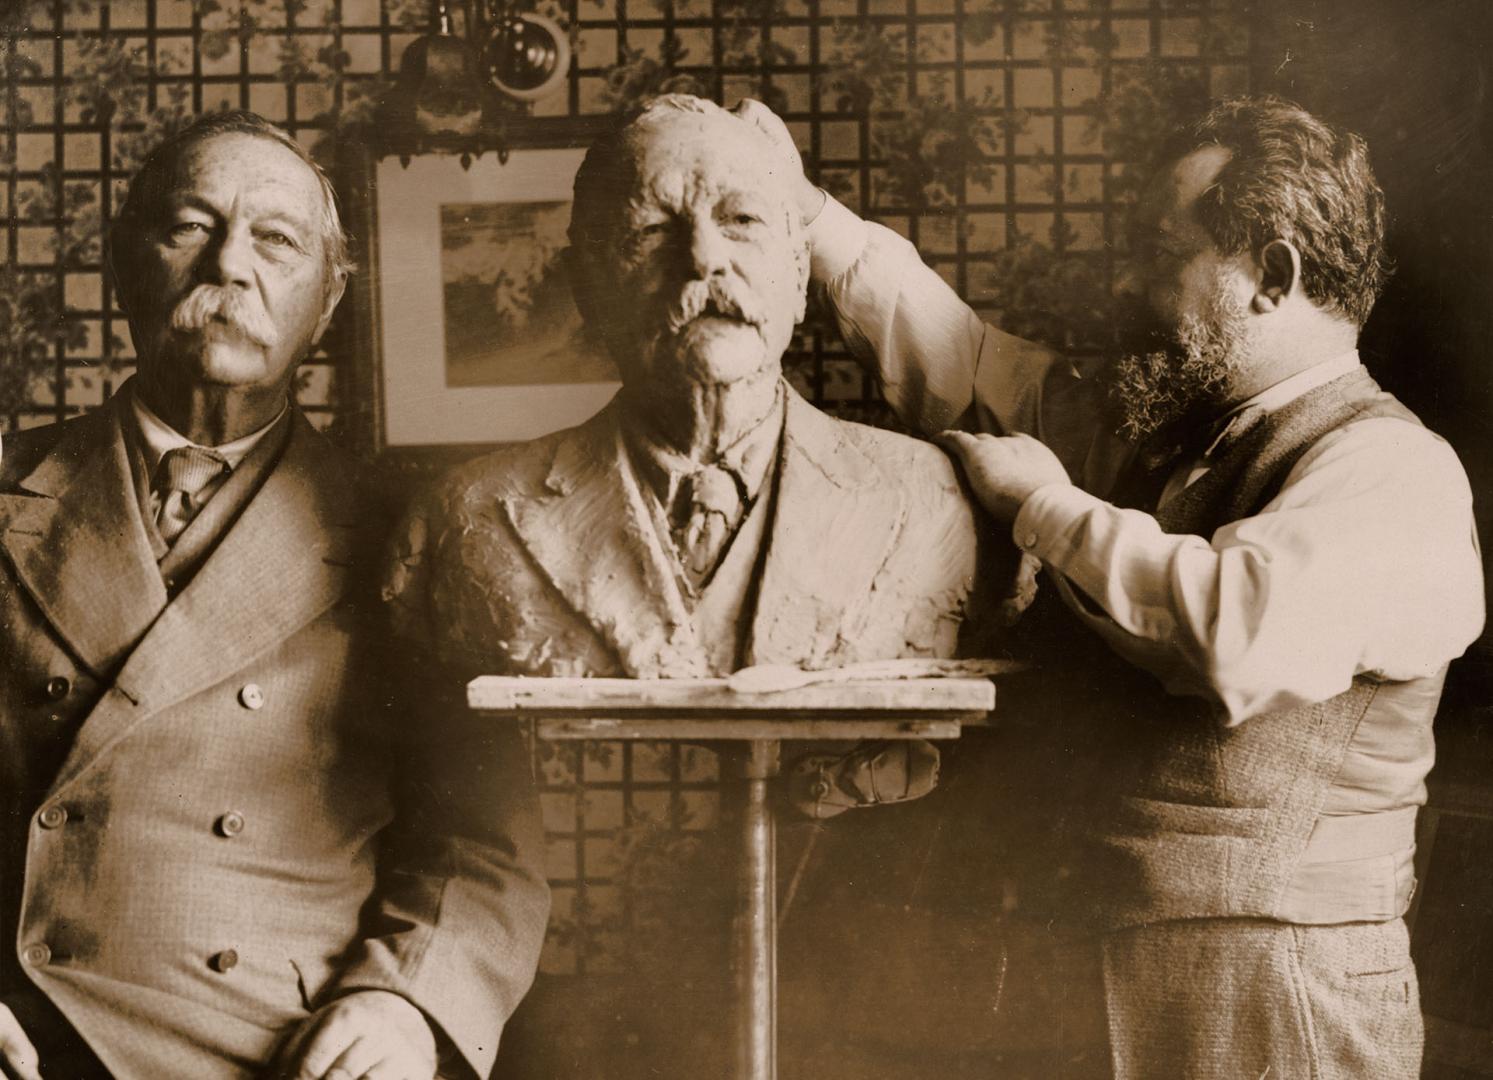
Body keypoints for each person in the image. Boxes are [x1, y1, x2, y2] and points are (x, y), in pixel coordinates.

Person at [740, 95, 1486, 1076]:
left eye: (1157, 250)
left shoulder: (1394, 472)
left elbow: (1231, 637)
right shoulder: (1168, 432)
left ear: (1270, 274)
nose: (1124, 281)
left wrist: (1044, 509)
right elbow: (966, 361)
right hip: (1098, 983)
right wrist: (801, 212)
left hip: (1277, 1010)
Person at [382, 94, 1022, 1074]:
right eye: (647, 229)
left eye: (742, 220)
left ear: (801, 278)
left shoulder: (931, 504)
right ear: (588, 286)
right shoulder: (465, 519)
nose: (701, 262)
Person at [0, 110, 549, 1080]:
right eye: (189, 227)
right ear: (127, 265)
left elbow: (479, 844)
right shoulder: (8, 489)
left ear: (327, 300)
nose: (229, 267)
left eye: (276, 239)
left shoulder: (415, 530)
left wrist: (405, 1005)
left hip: (281, 1052)